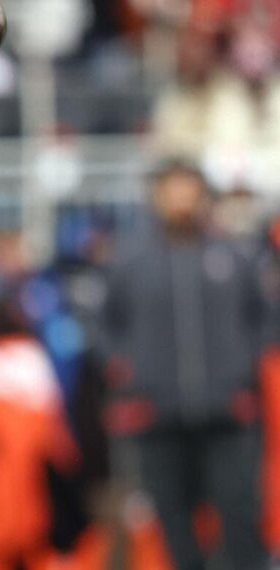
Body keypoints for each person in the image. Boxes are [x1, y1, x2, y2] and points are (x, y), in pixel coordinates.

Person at [102, 161, 269, 570]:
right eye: (171, 190)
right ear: (156, 197)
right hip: (157, 416)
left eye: (188, 190)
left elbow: (262, 319)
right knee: (173, 523)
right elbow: (106, 326)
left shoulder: (232, 255)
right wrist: (130, 374)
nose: (180, 201)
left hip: (227, 414)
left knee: (240, 516)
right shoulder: (131, 262)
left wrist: (242, 371)